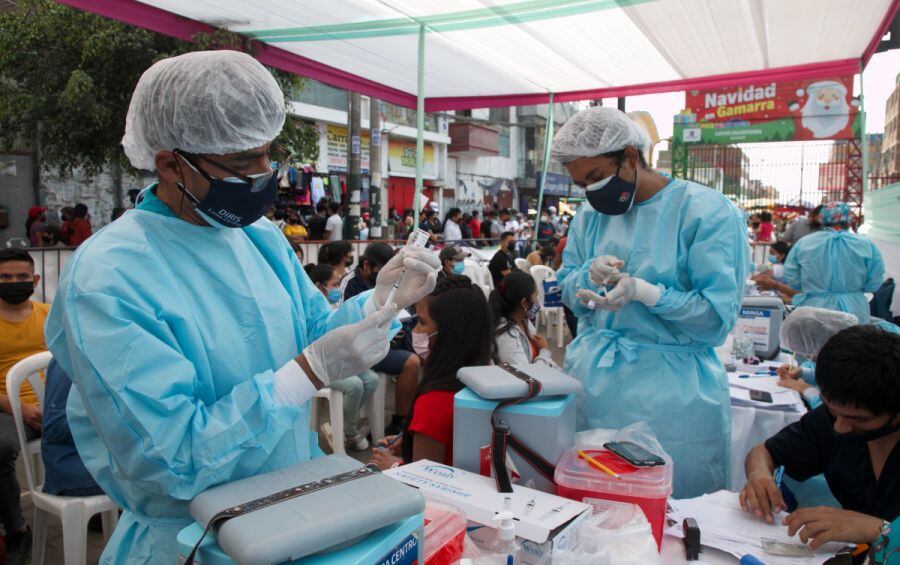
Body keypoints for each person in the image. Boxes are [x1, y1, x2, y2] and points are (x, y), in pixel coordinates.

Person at [43, 50, 440, 563]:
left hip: (293, 504)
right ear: (168, 163)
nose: (263, 175)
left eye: (267, 155)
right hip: (196, 537)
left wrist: (382, 301)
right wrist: (307, 372)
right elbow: (172, 460)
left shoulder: (256, 236)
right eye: (240, 163)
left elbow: (313, 331)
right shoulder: (108, 278)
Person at [552, 107, 749, 498]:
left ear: (629, 156)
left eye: (596, 177)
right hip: (597, 380)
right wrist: (587, 276)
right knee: (597, 501)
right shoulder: (589, 217)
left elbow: (715, 319)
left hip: (673, 394)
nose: (590, 191)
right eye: (581, 184)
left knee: (668, 511)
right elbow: (570, 292)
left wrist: (649, 293)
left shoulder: (705, 212)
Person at [740, 325, 900, 549]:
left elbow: (878, 529)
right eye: (833, 411)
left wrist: (878, 529)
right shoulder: (830, 422)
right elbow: (765, 452)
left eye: (860, 420)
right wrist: (759, 475)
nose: (841, 427)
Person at [370, 275, 493, 469]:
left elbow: (426, 481)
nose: (415, 330)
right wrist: (412, 439)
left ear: (450, 334)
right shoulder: (487, 381)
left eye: (422, 322)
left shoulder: (434, 402)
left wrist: (394, 465)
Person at [0, 248, 49, 563]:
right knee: (0, 448)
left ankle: (93, 498)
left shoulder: (49, 314)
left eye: (20, 277)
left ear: (35, 280)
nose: (13, 282)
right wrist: (16, 407)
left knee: (104, 425)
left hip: (51, 404)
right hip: (5, 407)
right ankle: (17, 528)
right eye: (5, 277)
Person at [343, 242, 423, 437]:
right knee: (412, 363)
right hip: (361, 347)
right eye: (381, 269)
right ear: (366, 265)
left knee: (424, 354)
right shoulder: (351, 284)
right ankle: (398, 422)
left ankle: (407, 419)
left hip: (388, 341)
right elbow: (349, 323)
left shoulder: (392, 279)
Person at [309, 264, 379, 451]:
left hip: (338, 358)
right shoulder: (308, 308)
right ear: (319, 286)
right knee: (354, 385)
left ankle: (340, 423)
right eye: (334, 284)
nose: (338, 288)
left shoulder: (334, 305)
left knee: (371, 380)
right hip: (317, 364)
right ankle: (349, 431)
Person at [783, 202, 884, 323]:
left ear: (821, 218)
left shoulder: (804, 243)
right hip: (853, 307)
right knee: (853, 340)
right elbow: (875, 279)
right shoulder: (865, 244)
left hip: (813, 307)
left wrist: (811, 288)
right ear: (849, 218)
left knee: (814, 340)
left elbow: (792, 276)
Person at [775, 307, 860, 409]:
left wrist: (806, 390)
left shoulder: (858, 365)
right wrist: (803, 372)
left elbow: (837, 410)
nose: (810, 358)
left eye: (811, 353)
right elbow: (831, 374)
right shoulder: (844, 353)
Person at [40, 359, 103, 497]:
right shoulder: (68, 356)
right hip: (70, 461)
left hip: (103, 454)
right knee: (152, 476)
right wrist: (105, 417)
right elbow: (53, 427)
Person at [490, 271, 558, 368]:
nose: (537, 301)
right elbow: (526, 375)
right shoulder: (505, 335)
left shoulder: (523, 320)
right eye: (535, 296)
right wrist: (544, 351)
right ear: (524, 303)